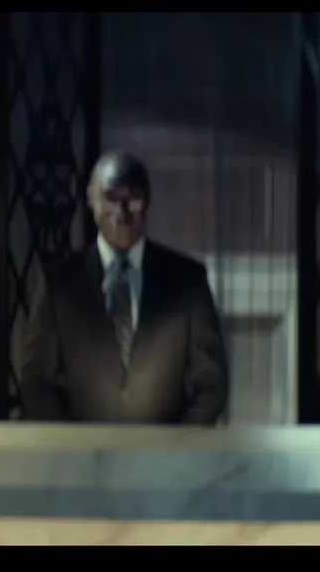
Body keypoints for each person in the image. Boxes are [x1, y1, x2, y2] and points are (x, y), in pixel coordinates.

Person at [17, 151, 229, 424]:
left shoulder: (187, 280)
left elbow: (212, 384)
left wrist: (179, 442)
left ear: (148, 201)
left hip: (167, 448)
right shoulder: (59, 283)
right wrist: (69, 443)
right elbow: (36, 382)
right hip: (80, 448)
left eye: (133, 199)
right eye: (110, 198)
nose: (122, 211)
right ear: (91, 202)